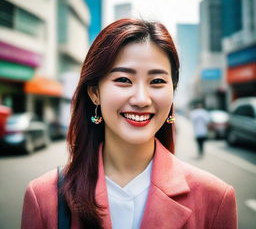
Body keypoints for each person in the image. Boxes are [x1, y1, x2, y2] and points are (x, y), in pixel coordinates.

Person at [21, 19, 237, 229]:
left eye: (157, 81)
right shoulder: (44, 198)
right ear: (95, 92)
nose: (142, 99)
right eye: (123, 80)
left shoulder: (216, 198)